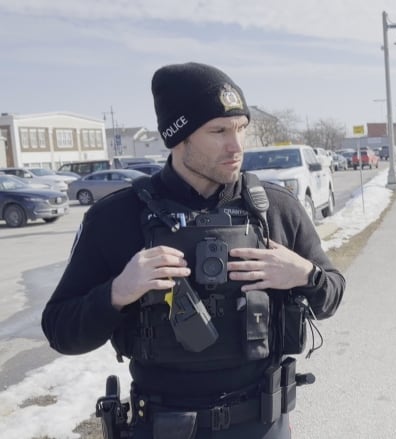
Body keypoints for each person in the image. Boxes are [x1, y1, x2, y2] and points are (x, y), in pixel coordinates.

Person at [41, 62, 345, 438]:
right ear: (178, 138)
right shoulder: (115, 218)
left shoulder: (275, 208)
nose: (236, 147)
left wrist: (305, 276)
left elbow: (331, 296)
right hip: (164, 426)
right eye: (218, 131)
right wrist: (118, 292)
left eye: (240, 129)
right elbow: (60, 331)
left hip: (262, 424)